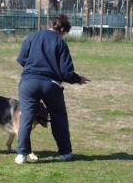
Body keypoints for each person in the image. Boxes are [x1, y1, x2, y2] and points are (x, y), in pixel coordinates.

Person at [15, 14, 89, 164]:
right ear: (61, 29)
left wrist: (33, 70)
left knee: (26, 117)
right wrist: (78, 79)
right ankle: (65, 152)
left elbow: (22, 59)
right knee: (58, 117)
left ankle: (22, 155)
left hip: (29, 82)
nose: (63, 36)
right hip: (52, 84)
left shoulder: (32, 37)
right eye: (64, 33)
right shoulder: (60, 43)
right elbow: (66, 72)